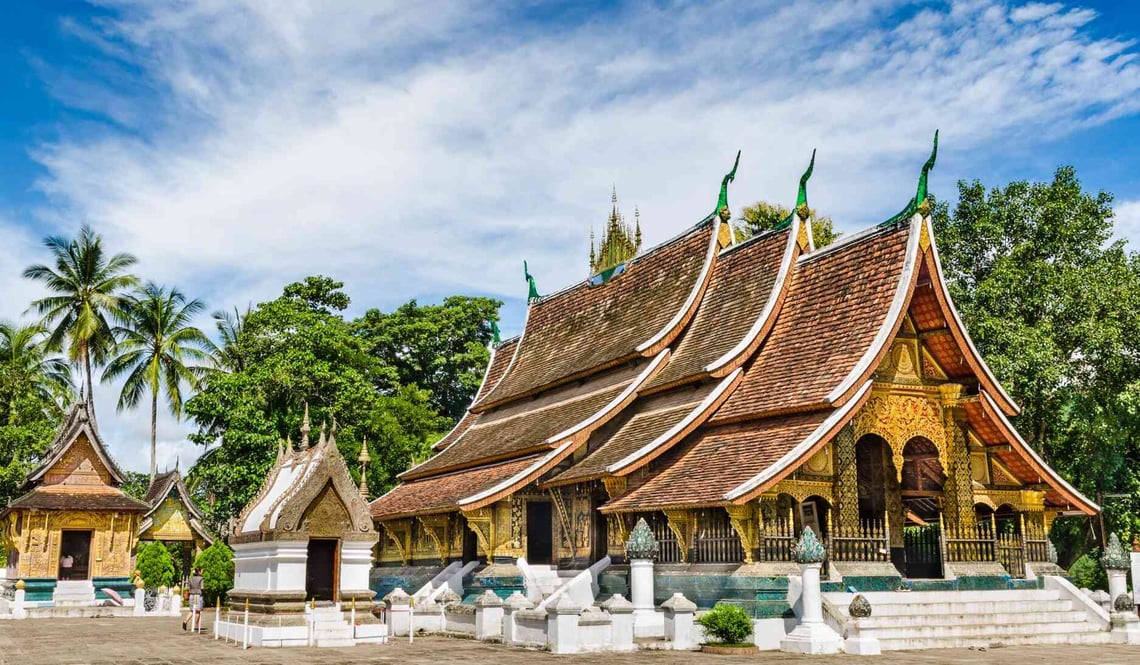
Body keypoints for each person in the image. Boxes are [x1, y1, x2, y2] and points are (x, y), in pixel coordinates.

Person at [183, 567, 204, 632]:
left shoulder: (191, 578)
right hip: (197, 595)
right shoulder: (201, 579)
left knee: (192, 610)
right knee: (198, 611)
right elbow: (202, 587)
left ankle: (185, 621)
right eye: (202, 571)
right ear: (199, 571)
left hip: (191, 595)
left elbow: (188, 587)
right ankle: (196, 625)